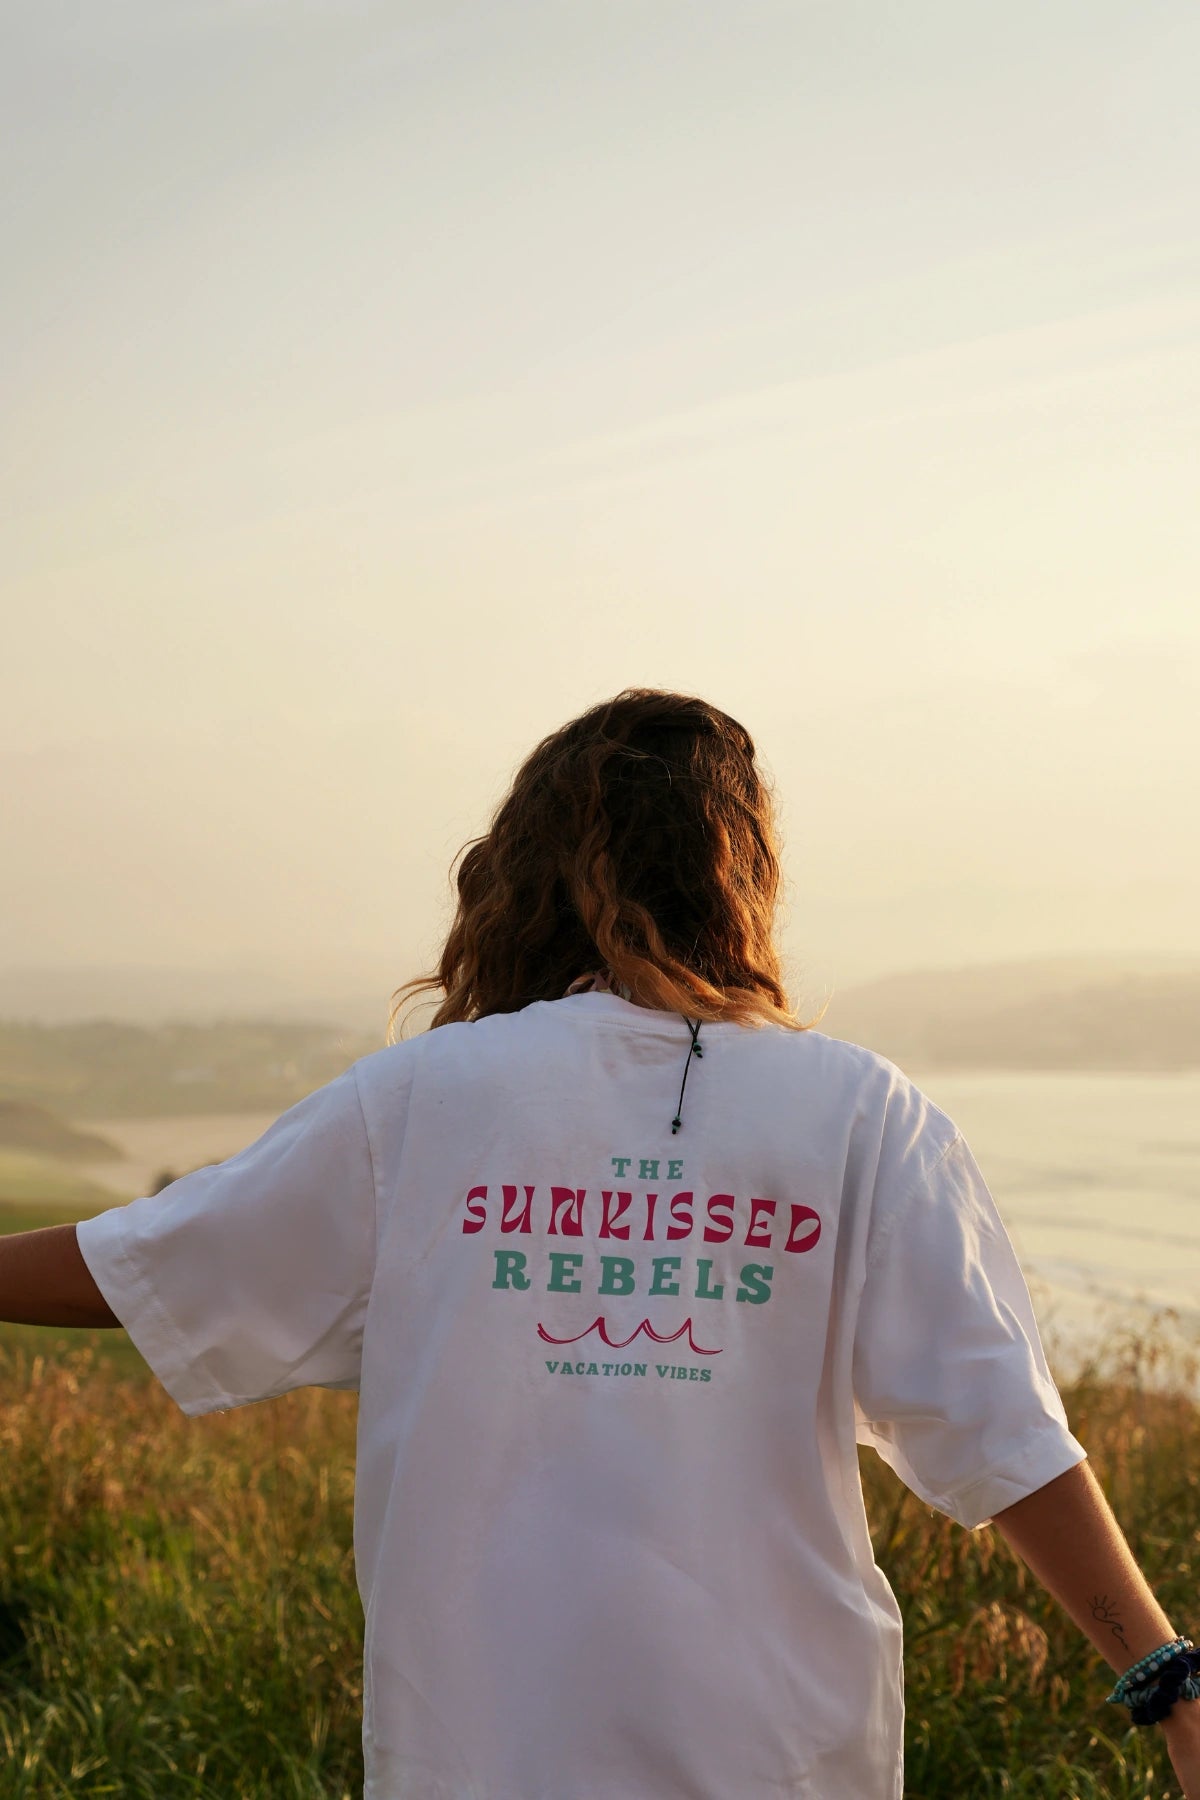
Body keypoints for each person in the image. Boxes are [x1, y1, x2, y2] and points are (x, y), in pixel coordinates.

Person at [1, 687, 1196, 1799]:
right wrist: (1167, 1685)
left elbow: (138, 1266)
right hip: (780, 1752)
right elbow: (1008, 1434)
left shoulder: (424, 1100)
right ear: (742, 875)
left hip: (477, 1753)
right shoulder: (859, 1112)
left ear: (520, 874)